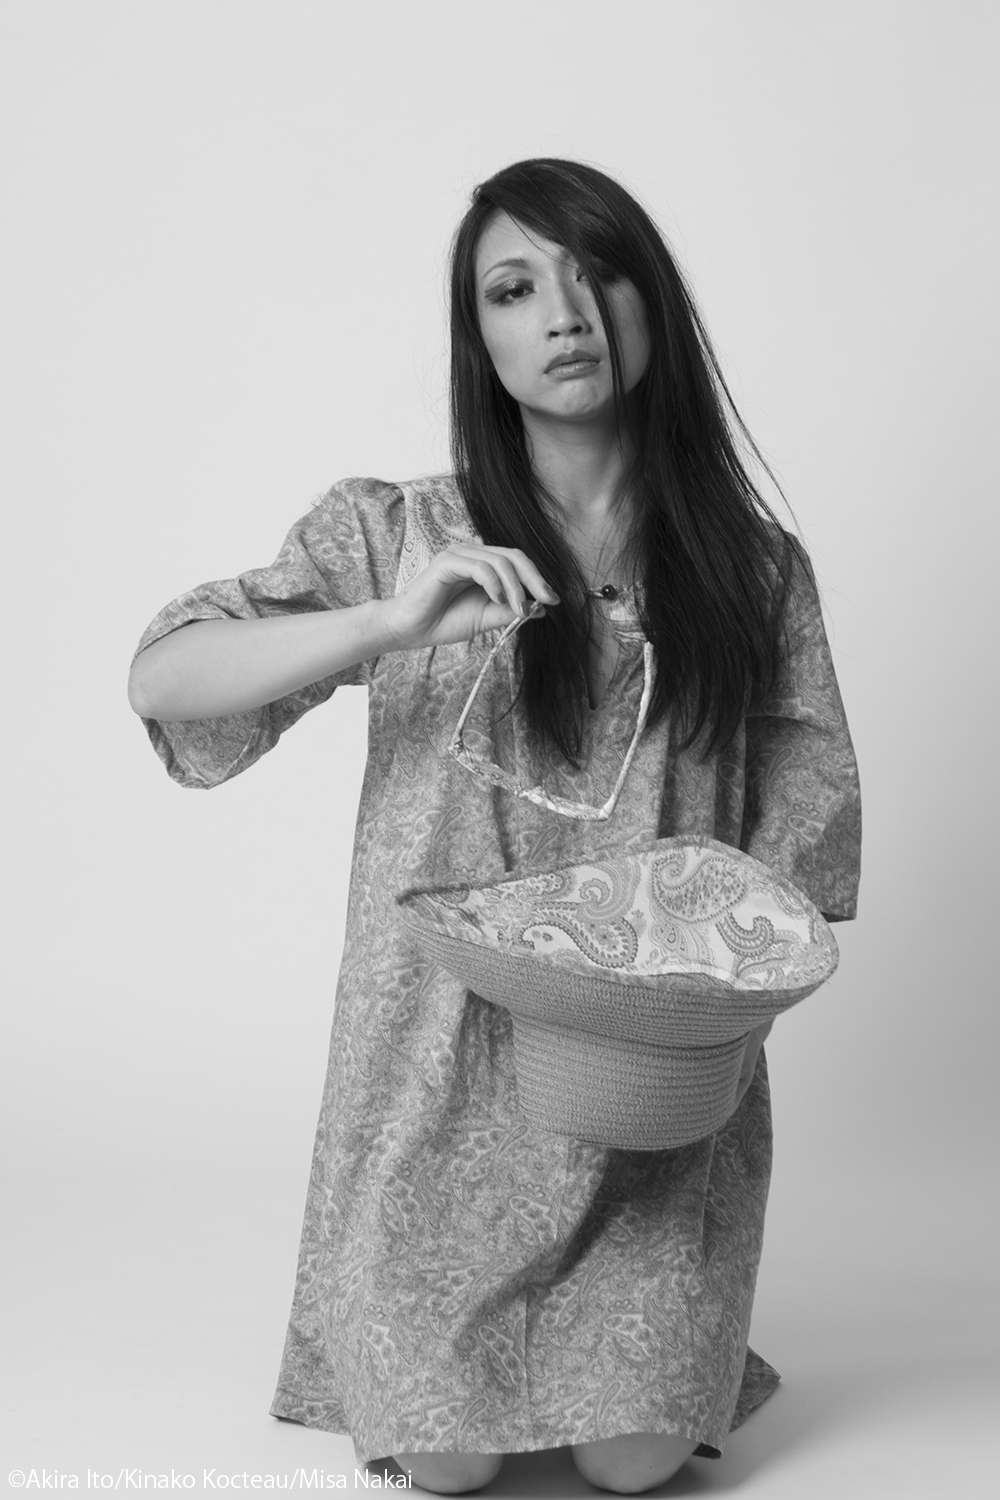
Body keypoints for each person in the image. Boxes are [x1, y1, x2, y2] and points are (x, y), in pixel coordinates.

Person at [129, 159, 861, 1494]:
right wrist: (390, 622)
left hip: (647, 1086)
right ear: (480, 338)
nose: (563, 315)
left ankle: (665, 1331)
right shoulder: (400, 531)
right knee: (450, 1470)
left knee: (636, 1466)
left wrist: (705, 1004)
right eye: (514, 290)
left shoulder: (750, 572)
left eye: (596, 275)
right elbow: (164, 682)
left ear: (652, 305)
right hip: (436, 1073)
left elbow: (797, 855)